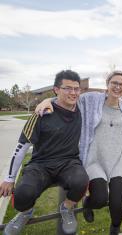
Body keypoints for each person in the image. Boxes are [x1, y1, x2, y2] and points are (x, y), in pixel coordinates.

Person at [34, 70, 122, 235]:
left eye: (121, 84)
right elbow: (68, 98)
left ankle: (114, 228)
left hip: (118, 161)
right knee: (100, 199)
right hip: (95, 159)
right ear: (107, 84)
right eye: (114, 83)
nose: (117, 87)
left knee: (118, 206)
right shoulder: (92, 100)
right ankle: (88, 204)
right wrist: (47, 100)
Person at [0, 70, 89, 235]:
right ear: (56, 89)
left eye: (77, 89)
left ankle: (67, 208)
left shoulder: (83, 109)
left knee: (82, 181)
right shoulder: (41, 113)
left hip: (69, 162)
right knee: (22, 195)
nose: (73, 93)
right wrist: (9, 178)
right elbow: (22, 147)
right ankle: (25, 212)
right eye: (68, 88)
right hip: (41, 164)